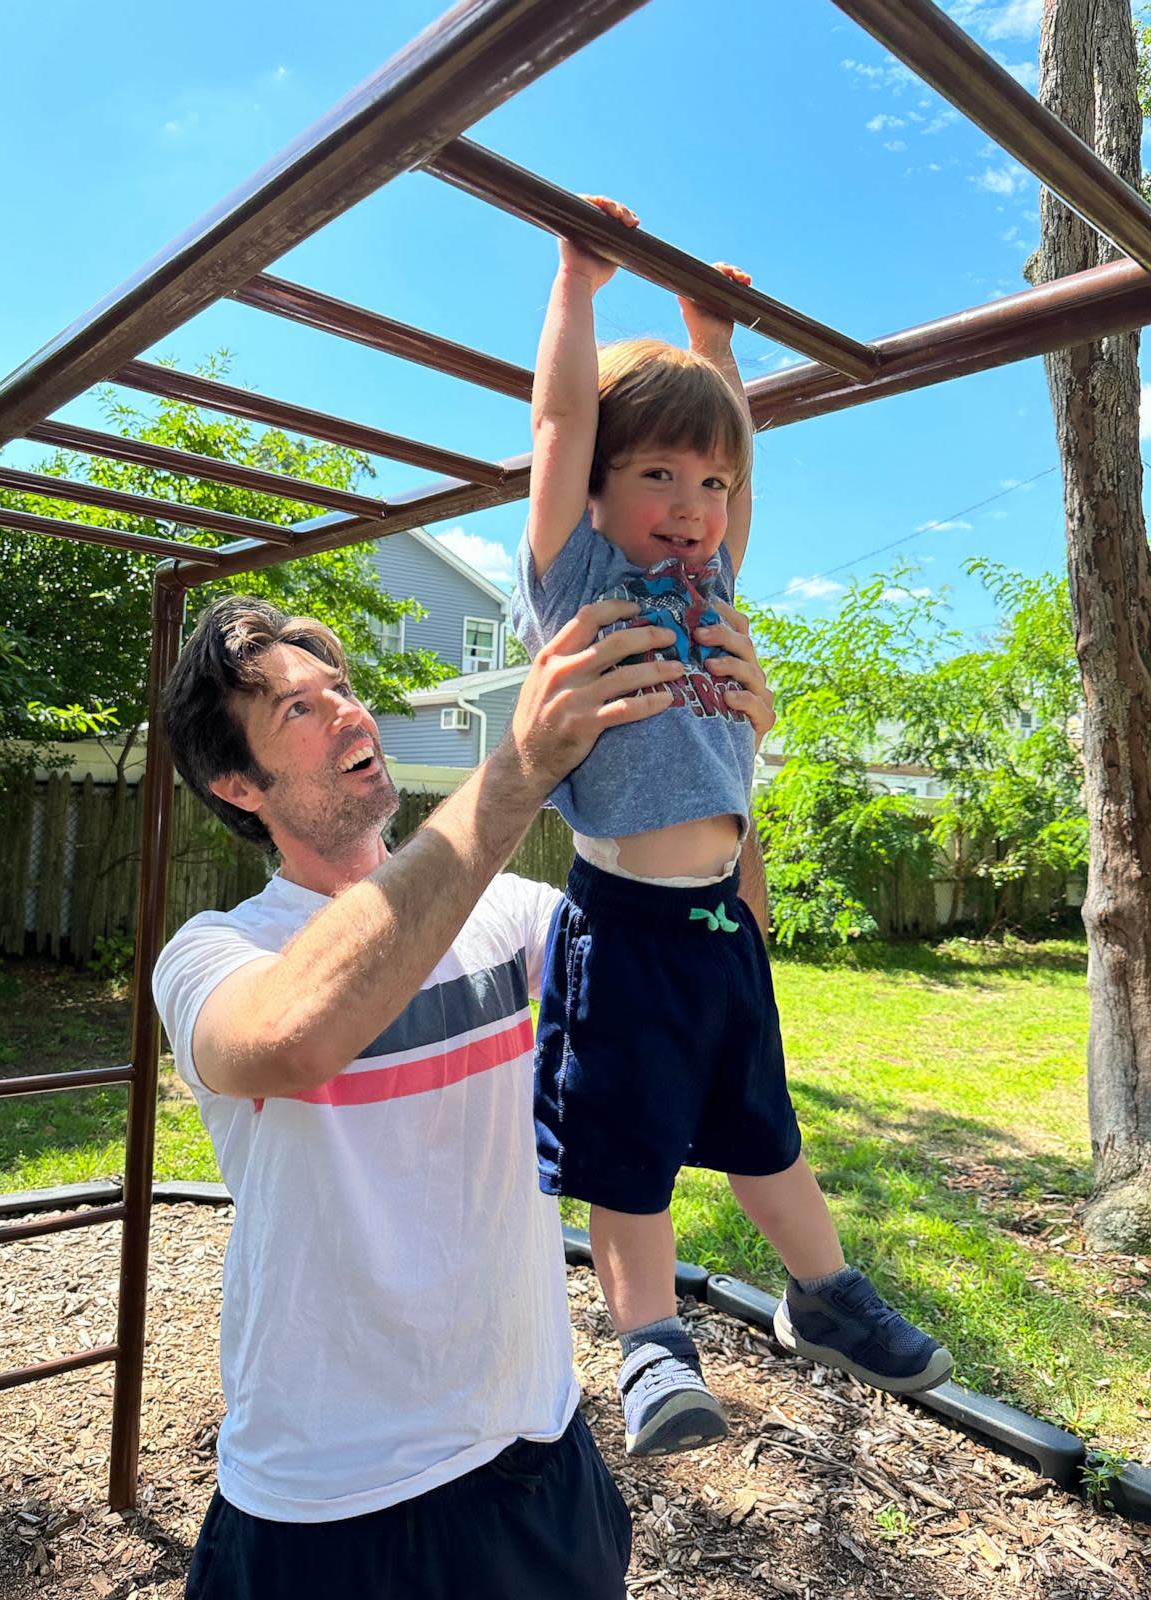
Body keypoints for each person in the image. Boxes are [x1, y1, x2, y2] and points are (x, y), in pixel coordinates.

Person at [151, 589, 775, 1600]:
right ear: (237, 782)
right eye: (296, 711)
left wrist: (718, 768)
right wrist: (519, 769)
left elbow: (711, 967)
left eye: (340, 688)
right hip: (324, 1499)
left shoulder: (512, 916)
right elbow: (289, 1038)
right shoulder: (216, 955)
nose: (349, 712)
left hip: (533, 1454)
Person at [510, 196, 952, 1462]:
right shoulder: (579, 581)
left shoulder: (713, 587)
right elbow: (558, 421)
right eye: (657, 475)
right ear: (596, 495)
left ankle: (826, 1293)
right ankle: (651, 1343)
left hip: (718, 921)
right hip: (626, 926)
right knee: (627, 1144)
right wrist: (579, 285)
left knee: (762, 1124)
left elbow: (734, 455)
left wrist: (716, 334)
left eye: (708, 483)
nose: (693, 503)